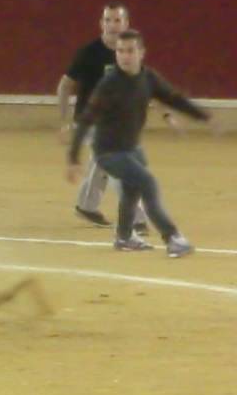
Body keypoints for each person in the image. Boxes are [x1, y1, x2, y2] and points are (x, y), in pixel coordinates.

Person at [66, 30, 212, 257]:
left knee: (131, 191)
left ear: (141, 53)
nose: (125, 56)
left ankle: (124, 238)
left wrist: (203, 117)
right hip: (108, 152)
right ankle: (172, 238)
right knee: (147, 183)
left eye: (130, 51)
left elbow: (173, 98)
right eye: (120, 51)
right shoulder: (109, 83)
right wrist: (73, 157)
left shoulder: (148, 78)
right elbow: (86, 120)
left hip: (131, 148)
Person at [56, 2, 148, 231]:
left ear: (126, 24)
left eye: (117, 20)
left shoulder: (128, 53)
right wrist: (64, 120)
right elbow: (65, 86)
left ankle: (86, 205)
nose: (112, 25)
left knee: (101, 164)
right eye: (108, 20)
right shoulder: (88, 53)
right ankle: (136, 218)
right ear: (101, 23)